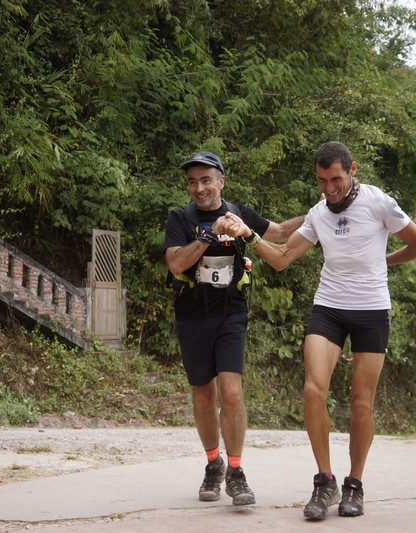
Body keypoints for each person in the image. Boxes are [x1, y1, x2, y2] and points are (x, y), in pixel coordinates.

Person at [213, 141, 416, 520]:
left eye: (336, 180)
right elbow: (282, 258)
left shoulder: (378, 202)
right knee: (314, 390)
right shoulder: (318, 214)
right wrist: (249, 235)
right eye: (321, 180)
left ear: (352, 171)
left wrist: (382, 261)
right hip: (329, 308)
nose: (329, 188)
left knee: (361, 403)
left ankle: (354, 484)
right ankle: (325, 481)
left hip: (371, 310)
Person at [164, 150, 305, 506]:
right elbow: (176, 264)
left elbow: (281, 231)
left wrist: (320, 210)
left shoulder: (238, 213)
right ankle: (214, 465)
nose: (199, 188)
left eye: (206, 180)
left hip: (231, 313)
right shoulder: (180, 217)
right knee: (203, 394)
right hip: (193, 314)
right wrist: (208, 235)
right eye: (192, 182)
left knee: (230, 391)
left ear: (221, 181)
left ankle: (237, 473)